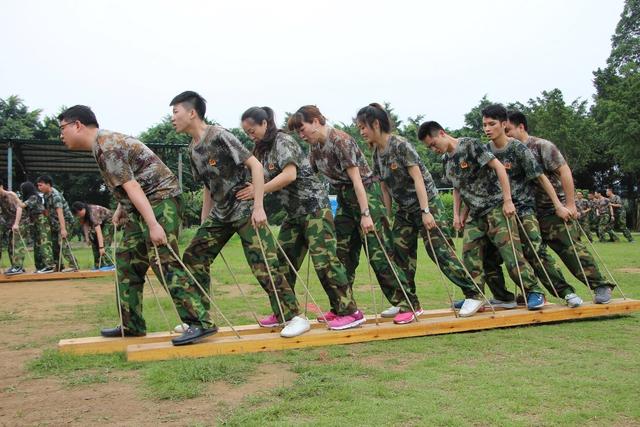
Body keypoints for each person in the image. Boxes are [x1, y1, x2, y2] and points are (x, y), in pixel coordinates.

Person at [59, 104, 214, 345]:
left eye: (63, 128)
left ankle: (200, 322)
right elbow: (131, 180)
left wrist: (153, 224)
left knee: (163, 259)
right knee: (127, 259)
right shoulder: (102, 145)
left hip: (162, 200)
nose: (61, 135)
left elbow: (133, 186)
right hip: (143, 205)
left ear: (77, 125)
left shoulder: (106, 145)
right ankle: (132, 325)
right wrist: (122, 207)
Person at [170, 91, 310, 338]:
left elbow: (255, 166)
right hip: (221, 213)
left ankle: (294, 317)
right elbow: (208, 187)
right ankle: (199, 318)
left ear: (192, 113)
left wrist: (258, 206)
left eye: (175, 112)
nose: (172, 118)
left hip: (245, 209)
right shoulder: (193, 150)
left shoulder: (220, 135)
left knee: (264, 264)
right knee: (194, 256)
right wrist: (205, 220)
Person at [288, 105, 422, 324]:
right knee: (341, 255)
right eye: (298, 133)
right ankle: (343, 307)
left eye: (302, 129)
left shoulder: (341, 140)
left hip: (365, 196)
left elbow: (357, 181)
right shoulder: (315, 148)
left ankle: (409, 304)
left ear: (315, 121)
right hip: (344, 200)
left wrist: (366, 214)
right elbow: (308, 177)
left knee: (379, 255)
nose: (302, 135)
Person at [238, 106, 364, 330]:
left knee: (324, 261)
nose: (250, 135)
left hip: (314, 208)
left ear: (265, 124)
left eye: (252, 130)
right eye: (246, 132)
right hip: (294, 213)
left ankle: (350, 312)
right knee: (282, 261)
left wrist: (261, 190)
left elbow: (290, 174)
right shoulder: (260, 150)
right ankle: (284, 312)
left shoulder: (283, 141)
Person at [355, 103, 483, 317]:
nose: (361, 132)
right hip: (404, 211)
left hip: (427, 204)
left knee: (440, 252)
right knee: (400, 255)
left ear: (376, 124)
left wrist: (426, 211)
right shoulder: (377, 152)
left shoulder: (400, 145)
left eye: (363, 127)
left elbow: (418, 179)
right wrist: (387, 215)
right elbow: (385, 186)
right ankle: (409, 303)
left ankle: (474, 294)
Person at [418, 120, 546, 310]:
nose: (434, 149)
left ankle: (534, 291)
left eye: (434, 144)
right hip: (475, 213)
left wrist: (508, 200)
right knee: (470, 255)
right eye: (429, 148)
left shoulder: (470, 145)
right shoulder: (446, 160)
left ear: (442, 134)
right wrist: (457, 215)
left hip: (495, 207)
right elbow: (457, 188)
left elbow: (499, 168)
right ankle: (479, 296)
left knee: (510, 253)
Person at [506, 111, 616, 304]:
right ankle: (539, 292)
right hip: (527, 212)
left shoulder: (541, 146)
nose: (506, 135)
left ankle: (600, 285)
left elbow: (564, 171)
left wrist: (570, 204)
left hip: (551, 210)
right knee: (533, 255)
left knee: (571, 249)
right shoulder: (508, 151)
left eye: (508, 130)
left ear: (521, 127)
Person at [480, 104, 582, 308]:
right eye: (484, 125)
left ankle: (566, 293)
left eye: (492, 124)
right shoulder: (485, 151)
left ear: (503, 124)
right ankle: (509, 296)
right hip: (499, 212)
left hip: (524, 209)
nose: (487, 129)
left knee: (536, 252)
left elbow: (541, 178)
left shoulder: (518, 148)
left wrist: (559, 205)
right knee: (491, 255)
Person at [36, 175, 77, 272]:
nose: (39, 188)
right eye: (38, 186)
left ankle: (74, 265)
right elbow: (47, 211)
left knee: (62, 242)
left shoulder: (56, 195)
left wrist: (63, 229)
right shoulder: (46, 195)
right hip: (55, 223)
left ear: (48, 184)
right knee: (54, 244)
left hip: (65, 222)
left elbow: (60, 213)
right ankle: (58, 266)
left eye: (41, 185)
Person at [20, 182, 56, 273]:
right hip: (35, 222)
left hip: (41, 221)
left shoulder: (33, 197)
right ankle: (40, 266)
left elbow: (22, 205)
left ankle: (49, 265)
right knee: (37, 245)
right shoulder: (32, 197)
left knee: (44, 243)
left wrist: (12, 196)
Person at [71, 202, 115, 270]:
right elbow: (85, 225)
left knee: (104, 241)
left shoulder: (93, 212)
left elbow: (99, 232)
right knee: (93, 240)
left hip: (109, 222)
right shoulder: (82, 215)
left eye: (79, 214)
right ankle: (98, 264)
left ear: (82, 209)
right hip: (101, 223)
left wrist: (101, 247)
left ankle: (110, 264)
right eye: (77, 215)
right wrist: (87, 238)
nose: (79, 216)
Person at [0, 179, 28, 275]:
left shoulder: (10, 195)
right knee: (10, 246)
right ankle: (15, 266)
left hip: (21, 221)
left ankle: (18, 267)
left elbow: (19, 208)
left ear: (1, 186)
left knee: (17, 245)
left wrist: (16, 223)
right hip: (10, 223)